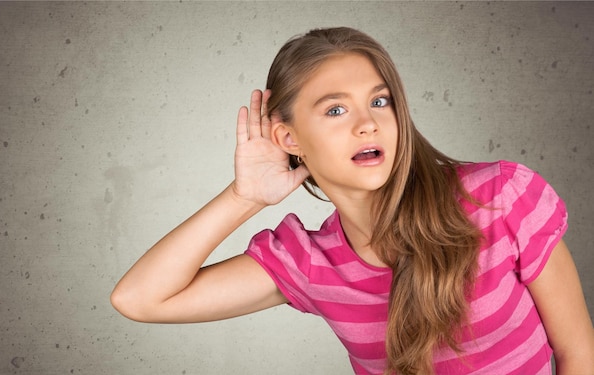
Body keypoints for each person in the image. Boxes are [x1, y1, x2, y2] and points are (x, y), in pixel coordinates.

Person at [110, 27, 594, 375]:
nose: (368, 122)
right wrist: (245, 197)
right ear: (288, 136)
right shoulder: (309, 263)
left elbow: (578, 354)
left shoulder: (499, 197)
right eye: (336, 109)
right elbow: (140, 299)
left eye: (380, 101)